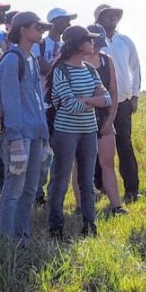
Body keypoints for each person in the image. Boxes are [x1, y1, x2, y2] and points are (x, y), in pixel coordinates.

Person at [49, 26, 111, 239]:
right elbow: (70, 105)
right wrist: (94, 100)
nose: (93, 43)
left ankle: (89, 225)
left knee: (87, 181)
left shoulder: (90, 70)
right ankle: (55, 227)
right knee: (60, 181)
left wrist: (85, 100)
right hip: (66, 132)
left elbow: (107, 99)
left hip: (88, 131)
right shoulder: (61, 70)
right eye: (88, 40)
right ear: (77, 44)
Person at [0, 11, 51, 240]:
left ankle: (22, 237)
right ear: (23, 30)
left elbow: (37, 99)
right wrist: (15, 138)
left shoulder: (33, 60)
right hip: (19, 136)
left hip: (35, 134)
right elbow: (10, 102)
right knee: (14, 188)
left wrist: (44, 135)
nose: (42, 31)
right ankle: (7, 240)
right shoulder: (11, 60)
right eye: (38, 27)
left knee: (30, 189)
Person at [94, 4, 142, 202]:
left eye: (115, 14)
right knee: (97, 147)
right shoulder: (93, 42)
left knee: (125, 145)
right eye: (108, 15)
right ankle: (99, 188)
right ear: (99, 19)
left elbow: (136, 68)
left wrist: (135, 96)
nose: (113, 17)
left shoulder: (125, 41)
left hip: (122, 101)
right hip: (98, 104)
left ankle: (132, 189)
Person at [85, 23, 123, 214]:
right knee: (81, 165)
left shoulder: (107, 61)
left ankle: (116, 205)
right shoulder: (76, 61)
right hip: (82, 118)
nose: (98, 48)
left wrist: (110, 120)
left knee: (108, 163)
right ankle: (81, 206)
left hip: (105, 118)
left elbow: (114, 93)